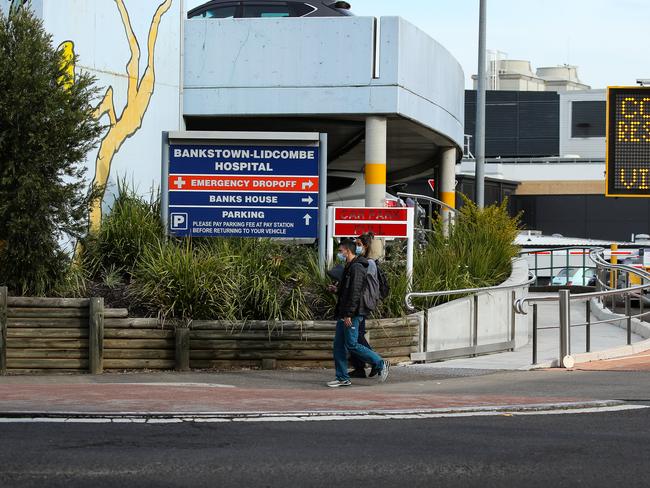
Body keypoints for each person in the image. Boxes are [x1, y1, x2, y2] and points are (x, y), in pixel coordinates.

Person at [327, 239, 390, 388]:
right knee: (338, 346)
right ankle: (342, 377)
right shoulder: (349, 266)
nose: (339, 254)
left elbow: (355, 293)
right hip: (345, 312)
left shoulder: (357, 268)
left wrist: (349, 314)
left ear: (347, 251)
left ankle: (380, 363)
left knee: (352, 344)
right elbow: (348, 291)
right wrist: (336, 290)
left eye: (340, 251)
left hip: (353, 312)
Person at [348, 232, 381, 378]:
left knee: (356, 337)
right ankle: (360, 367)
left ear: (365, 247)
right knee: (355, 336)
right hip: (358, 303)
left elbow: (358, 284)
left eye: (358, 245)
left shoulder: (368, 263)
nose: (356, 247)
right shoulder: (360, 261)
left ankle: (376, 362)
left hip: (360, 304)